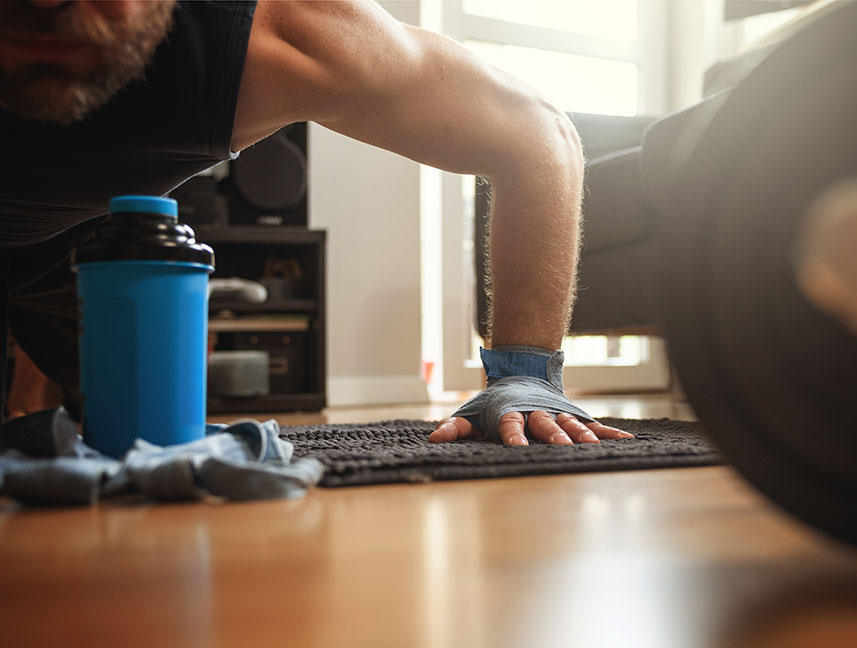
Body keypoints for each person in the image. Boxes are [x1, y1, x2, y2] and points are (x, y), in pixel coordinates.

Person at [0, 0, 634, 446]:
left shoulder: (275, 38)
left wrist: (524, 376)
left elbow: (536, 138)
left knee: (148, 437)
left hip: (74, 244)